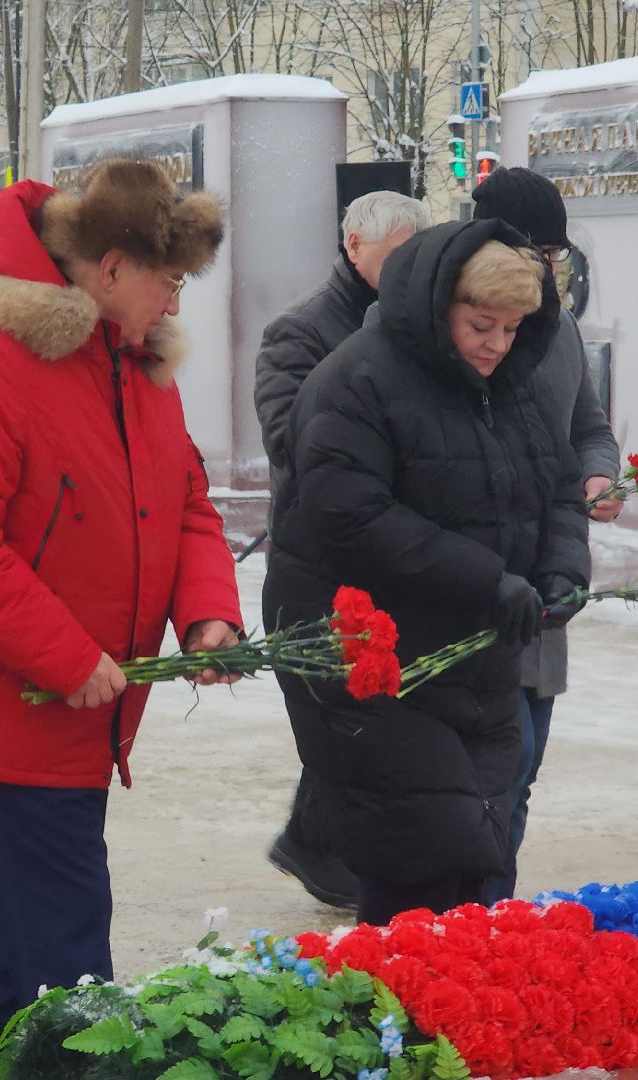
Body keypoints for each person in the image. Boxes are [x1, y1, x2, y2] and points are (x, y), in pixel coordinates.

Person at [0, 160, 243, 1080]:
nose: (177, 297)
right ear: (112, 265)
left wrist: (208, 616)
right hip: (10, 715)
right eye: (170, 277)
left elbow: (188, 503)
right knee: (73, 976)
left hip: (82, 714)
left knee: (13, 970)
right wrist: (64, 653)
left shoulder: (137, 365)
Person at [265, 219, 590, 926]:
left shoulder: (511, 382)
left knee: (483, 848)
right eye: (481, 325)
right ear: (440, 306)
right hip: (371, 654)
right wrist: (486, 577)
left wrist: (562, 567)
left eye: (510, 329)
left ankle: (451, 1009)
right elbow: (350, 512)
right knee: (424, 850)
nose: (496, 345)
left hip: (476, 652)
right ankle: (398, 1011)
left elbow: (558, 483)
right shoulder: (358, 378)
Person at [254, 190, 428, 909]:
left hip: (390, 551)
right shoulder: (298, 332)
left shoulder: (419, 325)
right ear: (353, 247)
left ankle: (323, 840)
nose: (406, 274)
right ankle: (317, 842)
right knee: (344, 711)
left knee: (377, 710)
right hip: (322, 557)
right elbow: (290, 440)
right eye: (395, 260)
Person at [468, 167, 620, 904]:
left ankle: (497, 909)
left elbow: (587, 429)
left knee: (523, 769)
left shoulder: (560, 335)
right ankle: (467, 918)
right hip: (478, 585)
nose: (546, 269)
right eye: (536, 251)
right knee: (498, 762)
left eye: (553, 256)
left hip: (548, 581)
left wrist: (597, 477)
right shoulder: (457, 330)